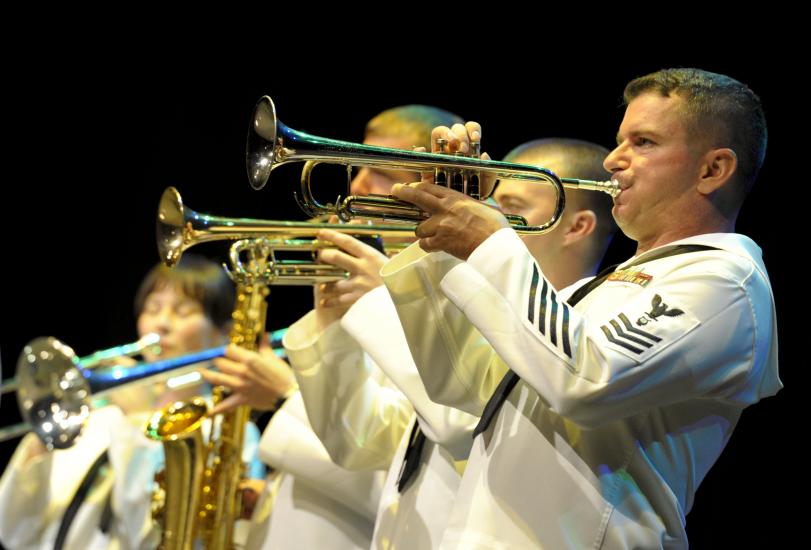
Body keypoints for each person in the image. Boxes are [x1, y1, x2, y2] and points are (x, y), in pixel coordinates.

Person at [380, 68, 782, 548]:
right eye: (619, 141)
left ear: (712, 170)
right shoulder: (603, 287)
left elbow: (587, 380)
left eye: (644, 142)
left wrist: (492, 243)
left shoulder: (725, 281)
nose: (613, 159)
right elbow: (464, 387)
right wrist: (442, 245)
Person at [0, 255, 262, 549]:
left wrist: (138, 417)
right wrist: (42, 441)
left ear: (223, 335)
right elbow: (12, 532)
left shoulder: (225, 430)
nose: (161, 323)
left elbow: (150, 537)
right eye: (153, 309)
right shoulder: (99, 415)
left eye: (183, 311)